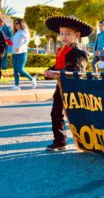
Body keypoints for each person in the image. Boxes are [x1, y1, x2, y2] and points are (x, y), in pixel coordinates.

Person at [43, 15, 94, 151]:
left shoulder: (80, 52)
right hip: (60, 88)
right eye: (62, 33)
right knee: (55, 113)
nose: (64, 36)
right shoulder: (62, 51)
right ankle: (60, 141)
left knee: (79, 116)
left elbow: (78, 71)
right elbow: (57, 67)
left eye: (68, 34)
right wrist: (49, 72)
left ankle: (89, 141)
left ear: (77, 35)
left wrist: (58, 73)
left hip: (75, 89)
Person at [10, 19, 36, 90]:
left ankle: (32, 79)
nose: (16, 25)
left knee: (20, 69)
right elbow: (15, 43)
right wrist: (9, 43)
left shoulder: (24, 31)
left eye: (17, 23)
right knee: (15, 70)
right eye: (15, 23)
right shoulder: (16, 32)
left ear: (21, 23)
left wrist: (20, 47)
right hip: (14, 53)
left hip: (22, 53)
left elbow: (26, 41)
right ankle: (17, 85)